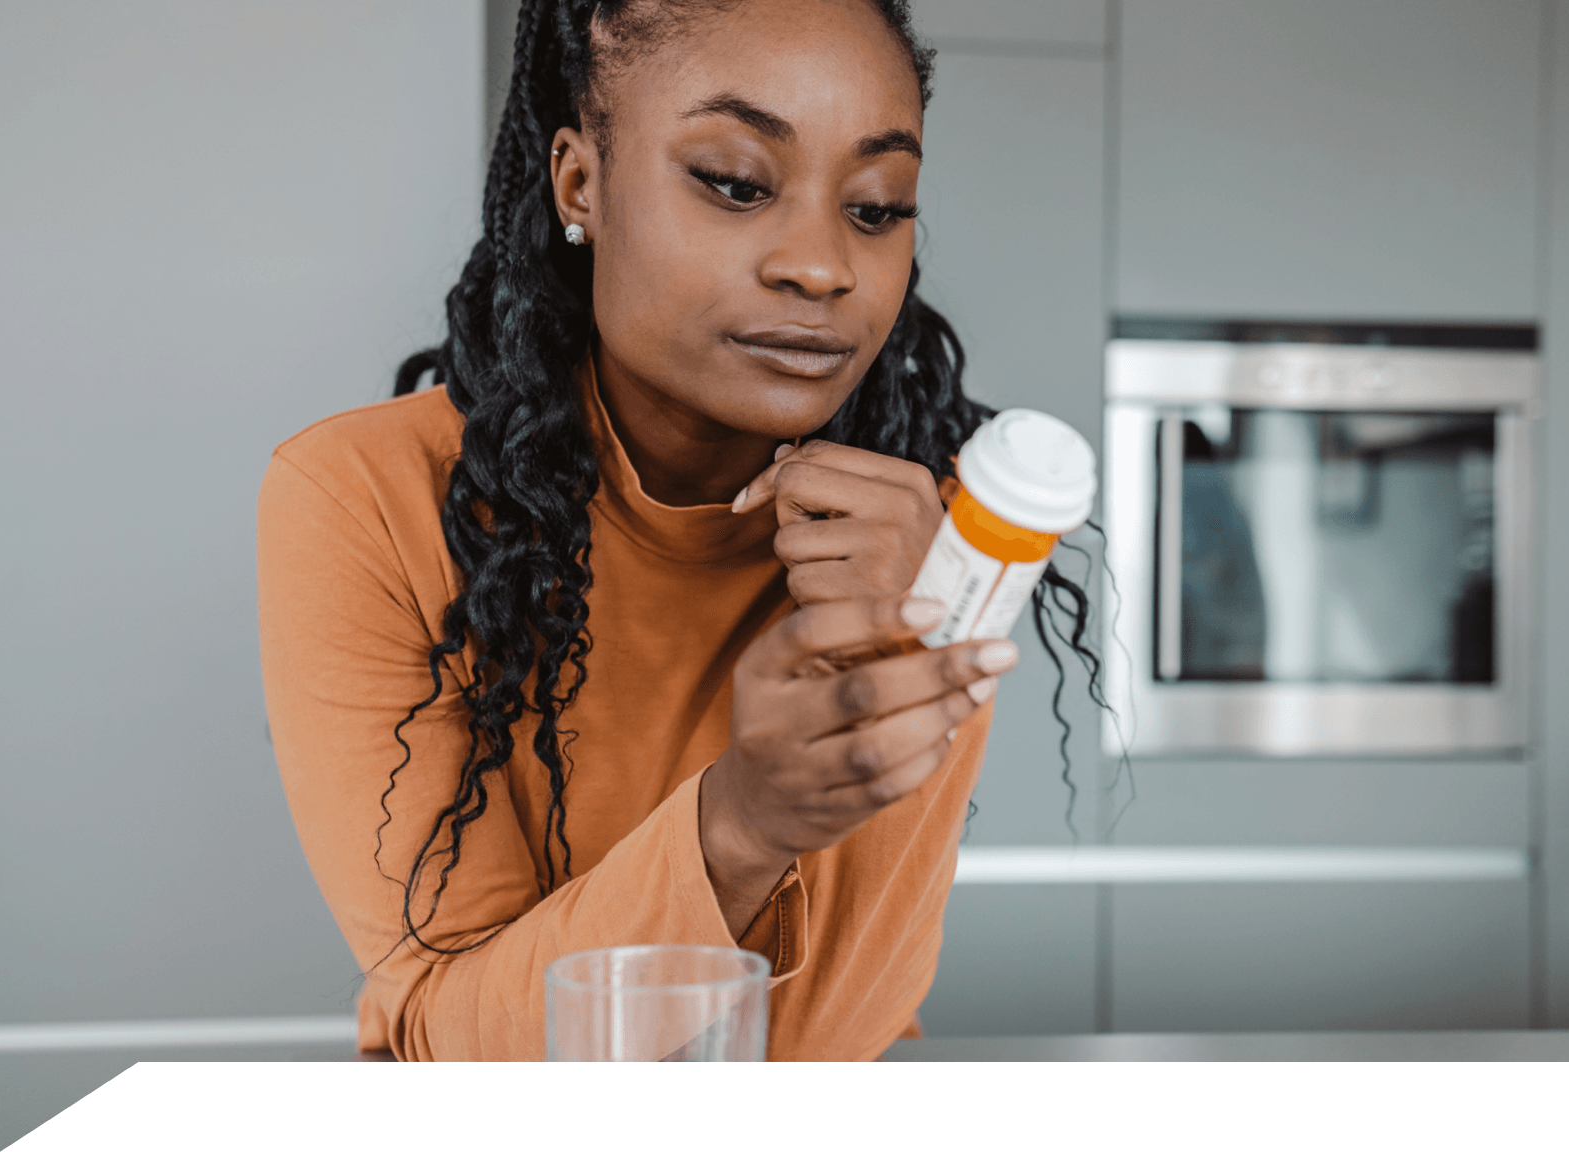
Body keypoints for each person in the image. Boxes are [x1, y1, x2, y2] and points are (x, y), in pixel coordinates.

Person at [258, 0, 1092, 1061]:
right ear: (580, 183)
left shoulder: (931, 544)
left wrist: (915, 634)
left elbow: (833, 1037)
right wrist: (741, 824)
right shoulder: (365, 498)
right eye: (739, 184)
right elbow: (454, 1040)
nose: (824, 266)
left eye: (879, 205)